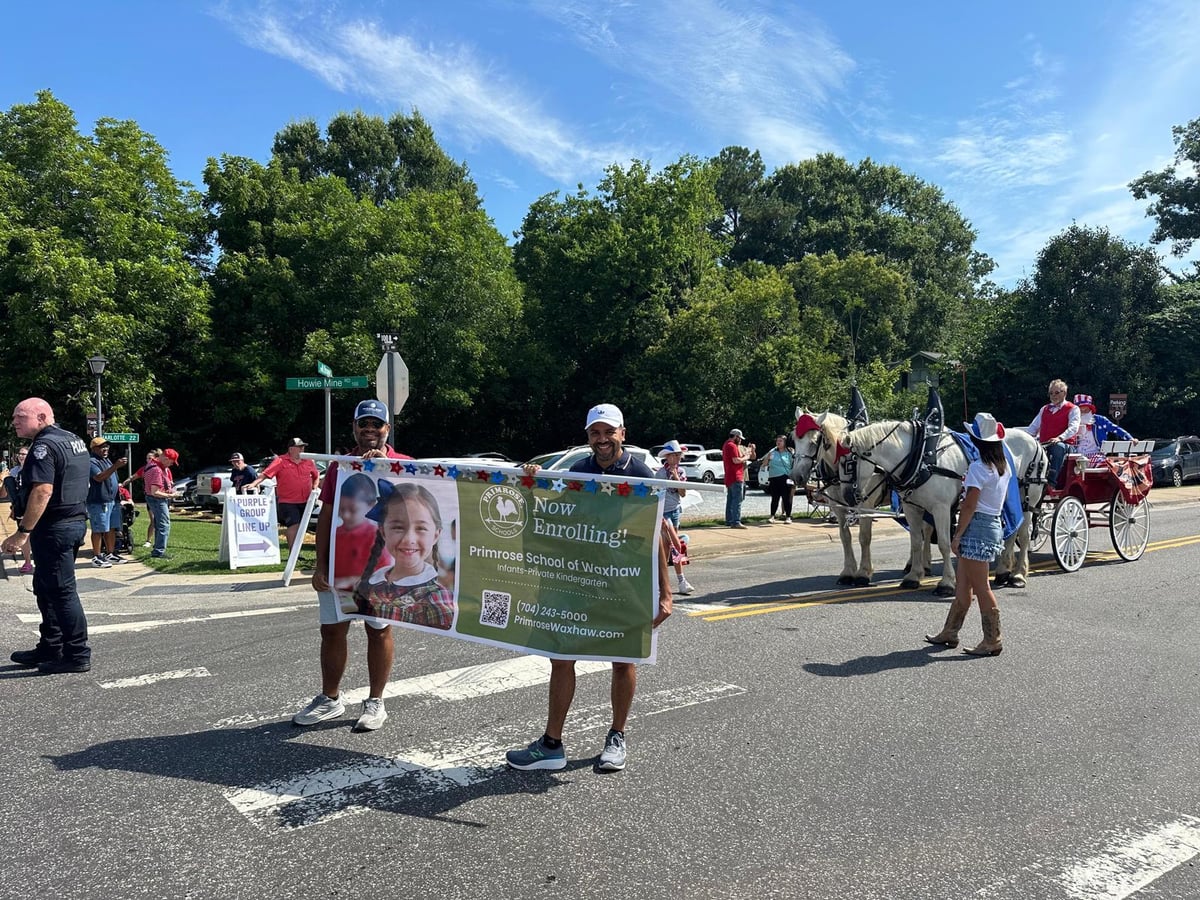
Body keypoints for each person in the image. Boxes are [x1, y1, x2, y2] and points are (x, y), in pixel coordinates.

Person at [507, 402, 672, 773]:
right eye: (595, 433)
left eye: (608, 432)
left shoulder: (641, 473)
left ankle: (617, 736)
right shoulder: (579, 470)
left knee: (623, 657)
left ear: (622, 434)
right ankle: (551, 744)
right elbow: (560, 518)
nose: (602, 440)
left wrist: (665, 591)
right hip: (581, 577)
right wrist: (532, 489)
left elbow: (655, 536)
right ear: (588, 437)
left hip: (625, 579)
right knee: (561, 654)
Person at [297, 399, 410, 733]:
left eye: (377, 424)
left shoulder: (404, 464)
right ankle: (330, 698)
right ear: (354, 427)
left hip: (381, 569)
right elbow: (328, 515)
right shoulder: (339, 466)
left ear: (388, 429)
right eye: (365, 424)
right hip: (341, 567)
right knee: (332, 629)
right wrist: (320, 565)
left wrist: (386, 465)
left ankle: (376, 700)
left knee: (378, 629)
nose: (370, 430)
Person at [2, 398, 93, 674]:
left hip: (54, 527)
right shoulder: (72, 439)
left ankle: (76, 654)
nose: (15, 421)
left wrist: (22, 532)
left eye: (21, 416)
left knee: (62, 592)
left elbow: (43, 491)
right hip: (72, 523)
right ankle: (51, 646)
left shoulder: (43, 446)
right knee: (45, 587)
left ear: (41, 417)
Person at [925, 413, 1012, 657]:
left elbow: (969, 505)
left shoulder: (977, 468)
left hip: (977, 527)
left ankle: (993, 639)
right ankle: (950, 632)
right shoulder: (1002, 469)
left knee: (982, 587)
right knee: (964, 584)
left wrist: (957, 534)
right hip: (992, 523)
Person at [352, 481, 455, 629]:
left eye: (420, 528)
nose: (409, 539)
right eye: (398, 527)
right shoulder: (368, 584)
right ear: (383, 531)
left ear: (436, 535)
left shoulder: (437, 597)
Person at [246, 437, 321, 554]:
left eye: (303, 447)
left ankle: (296, 553)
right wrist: (254, 483)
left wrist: (314, 489)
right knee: (293, 526)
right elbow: (265, 474)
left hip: (306, 500)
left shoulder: (309, 461)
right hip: (288, 501)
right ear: (291, 449)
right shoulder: (280, 461)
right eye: (300, 447)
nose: (303, 449)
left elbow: (316, 476)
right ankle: (293, 554)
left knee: (302, 527)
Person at [331, 473, 391, 592]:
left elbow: (385, 575)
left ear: (371, 506)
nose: (345, 515)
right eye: (341, 509)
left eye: (353, 510)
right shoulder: (335, 534)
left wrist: (351, 581)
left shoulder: (377, 537)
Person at [655, 440, 694, 596]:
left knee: (675, 546)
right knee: (666, 547)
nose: (678, 458)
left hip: (675, 510)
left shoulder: (681, 471)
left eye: (679, 455)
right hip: (662, 513)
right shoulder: (660, 473)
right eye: (675, 455)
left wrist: (676, 476)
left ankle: (681, 580)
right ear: (668, 457)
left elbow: (683, 493)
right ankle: (662, 583)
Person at [1026, 379, 1079, 487]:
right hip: (1044, 444)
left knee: (1057, 447)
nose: (1053, 396)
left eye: (1056, 393)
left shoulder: (1073, 409)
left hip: (1065, 445)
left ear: (1064, 393)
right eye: (1051, 393)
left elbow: (1073, 428)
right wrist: (1026, 439)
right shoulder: (1044, 409)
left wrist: (1060, 438)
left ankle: (1051, 483)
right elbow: (1033, 427)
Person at [86, 437, 127, 567]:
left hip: (112, 500)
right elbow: (99, 477)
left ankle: (110, 553)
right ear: (94, 449)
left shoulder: (106, 460)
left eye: (106, 447)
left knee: (111, 528)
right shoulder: (92, 462)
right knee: (98, 529)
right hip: (99, 501)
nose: (105, 449)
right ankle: (97, 556)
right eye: (101, 447)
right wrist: (116, 466)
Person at [1072, 394, 1134, 465]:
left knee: (1101, 461)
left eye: (1086, 410)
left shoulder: (1100, 420)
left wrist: (1129, 438)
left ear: (1090, 410)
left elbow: (1115, 428)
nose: (1083, 413)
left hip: (1095, 454)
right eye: (1080, 411)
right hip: (1076, 456)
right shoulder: (1072, 422)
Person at [142, 448, 180, 559]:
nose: (172, 464)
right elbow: (155, 492)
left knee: (159, 524)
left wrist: (169, 490)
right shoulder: (157, 470)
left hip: (152, 498)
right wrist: (171, 495)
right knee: (164, 525)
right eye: (171, 462)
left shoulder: (151, 464)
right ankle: (159, 551)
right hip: (157, 500)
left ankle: (157, 549)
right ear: (166, 459)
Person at [3, 446, 34, 574]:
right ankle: (27, 561)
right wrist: (4, 480)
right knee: (24, 535)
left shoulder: (34, 469)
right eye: (20, 454)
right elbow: (4, 494)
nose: (22, 456)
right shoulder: (14, 471)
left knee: (36, 535)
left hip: (33, 507)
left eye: (25, 454)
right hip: (20, 508)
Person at [123, 449, 161, 548]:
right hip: (150, 497)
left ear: (156, 458)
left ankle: (159, 543)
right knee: (153, 520)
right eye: (147, 458)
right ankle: (149, 541)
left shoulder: (161, 468)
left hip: (161, 497)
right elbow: (133, 477)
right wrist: (123, 484)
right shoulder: (145, 469)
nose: (148, 460)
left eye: (150, 458)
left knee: (160, 520)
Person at [722, 428, 756, 529]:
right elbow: (736, 460)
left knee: (731, 499)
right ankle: (736, 521)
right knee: (737, 499)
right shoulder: (732, 445)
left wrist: (747, 453)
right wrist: (746, 457)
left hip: (730, 476)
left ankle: (729, 520)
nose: (740, 440)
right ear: (735, 436)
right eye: (739, 438)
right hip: (736, 476)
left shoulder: (726, 444)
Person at [762, 434, 796, 523]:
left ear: (785, 442)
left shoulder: (789, 453)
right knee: (775, 498)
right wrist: (767, 457)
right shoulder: (772, 452)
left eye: (780, 441)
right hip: (774, 477)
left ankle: (788, 516)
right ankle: (772, 516)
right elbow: (764, 464)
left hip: (785, 477)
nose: (778, 442)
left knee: (786, 498)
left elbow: (793, 464)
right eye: (777, 441)